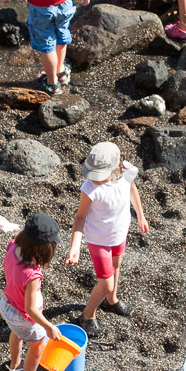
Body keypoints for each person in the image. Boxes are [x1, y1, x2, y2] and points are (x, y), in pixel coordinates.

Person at [65, 142, 148, 336]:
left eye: (99, 175)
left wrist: (141, 215)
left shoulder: (127, 171)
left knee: (116, 265)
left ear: (116, 166)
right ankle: (87, 315)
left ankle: (112, 301)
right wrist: (75, 246)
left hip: (119, 233)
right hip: (98, 240)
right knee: (105, 284)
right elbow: (80, 217)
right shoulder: (90, 188)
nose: (96, 179)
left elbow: (132, 190)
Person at [1, 213, 63, 371]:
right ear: (43, 248)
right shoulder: (32, 274)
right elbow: (30, 309)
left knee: (16, 333)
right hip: (24, 317)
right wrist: (48, 327)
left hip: (7, 304)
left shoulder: (13, 246)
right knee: (37, 347)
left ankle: (14, 368)